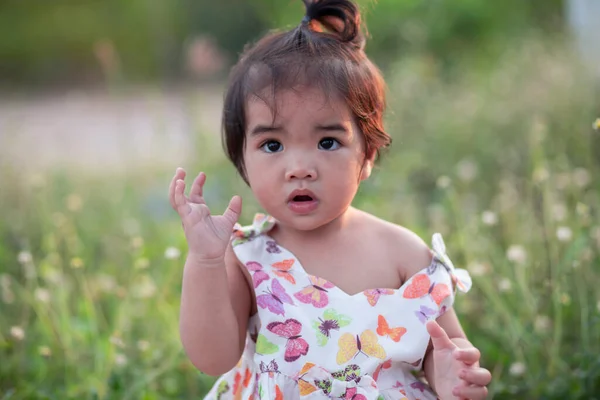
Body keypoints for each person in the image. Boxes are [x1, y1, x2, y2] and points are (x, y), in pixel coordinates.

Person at [169, 0, 492, 398]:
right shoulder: (248, 259)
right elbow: (212, 358)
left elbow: (446, 343)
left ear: (368, 156)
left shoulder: (403, 253)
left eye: (327, 142)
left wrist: (450, 371)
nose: (299, 167)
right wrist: (204, 260)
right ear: (242, 160)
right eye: (272, 145)